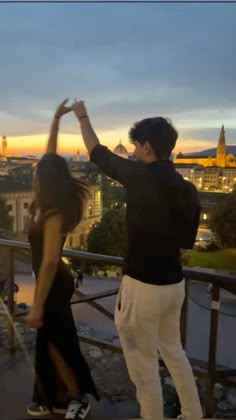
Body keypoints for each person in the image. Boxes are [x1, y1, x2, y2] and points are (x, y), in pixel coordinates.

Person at [72, 100, 203, 420]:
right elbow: (185, 241)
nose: (133, 152)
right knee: (174, 353)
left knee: (144, 372)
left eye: (135, 146)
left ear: (146, 147)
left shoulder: (139, 177)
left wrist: (83, 116)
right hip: (174, 285)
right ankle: (193, 414)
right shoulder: (188, 190)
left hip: (143, 287)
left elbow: (97, 152)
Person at [26, 99, 99, 419]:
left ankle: (76, 398)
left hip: (53, 285)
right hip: (50, 283)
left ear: (46, 180)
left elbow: (50, 263)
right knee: (49, 343)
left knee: (57, 344)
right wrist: (55, 120)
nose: (34, 176)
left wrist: (38, 304)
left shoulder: (54, 213)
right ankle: (51, 397)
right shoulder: (49, 202)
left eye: (38, 174)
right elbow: (51, 157)